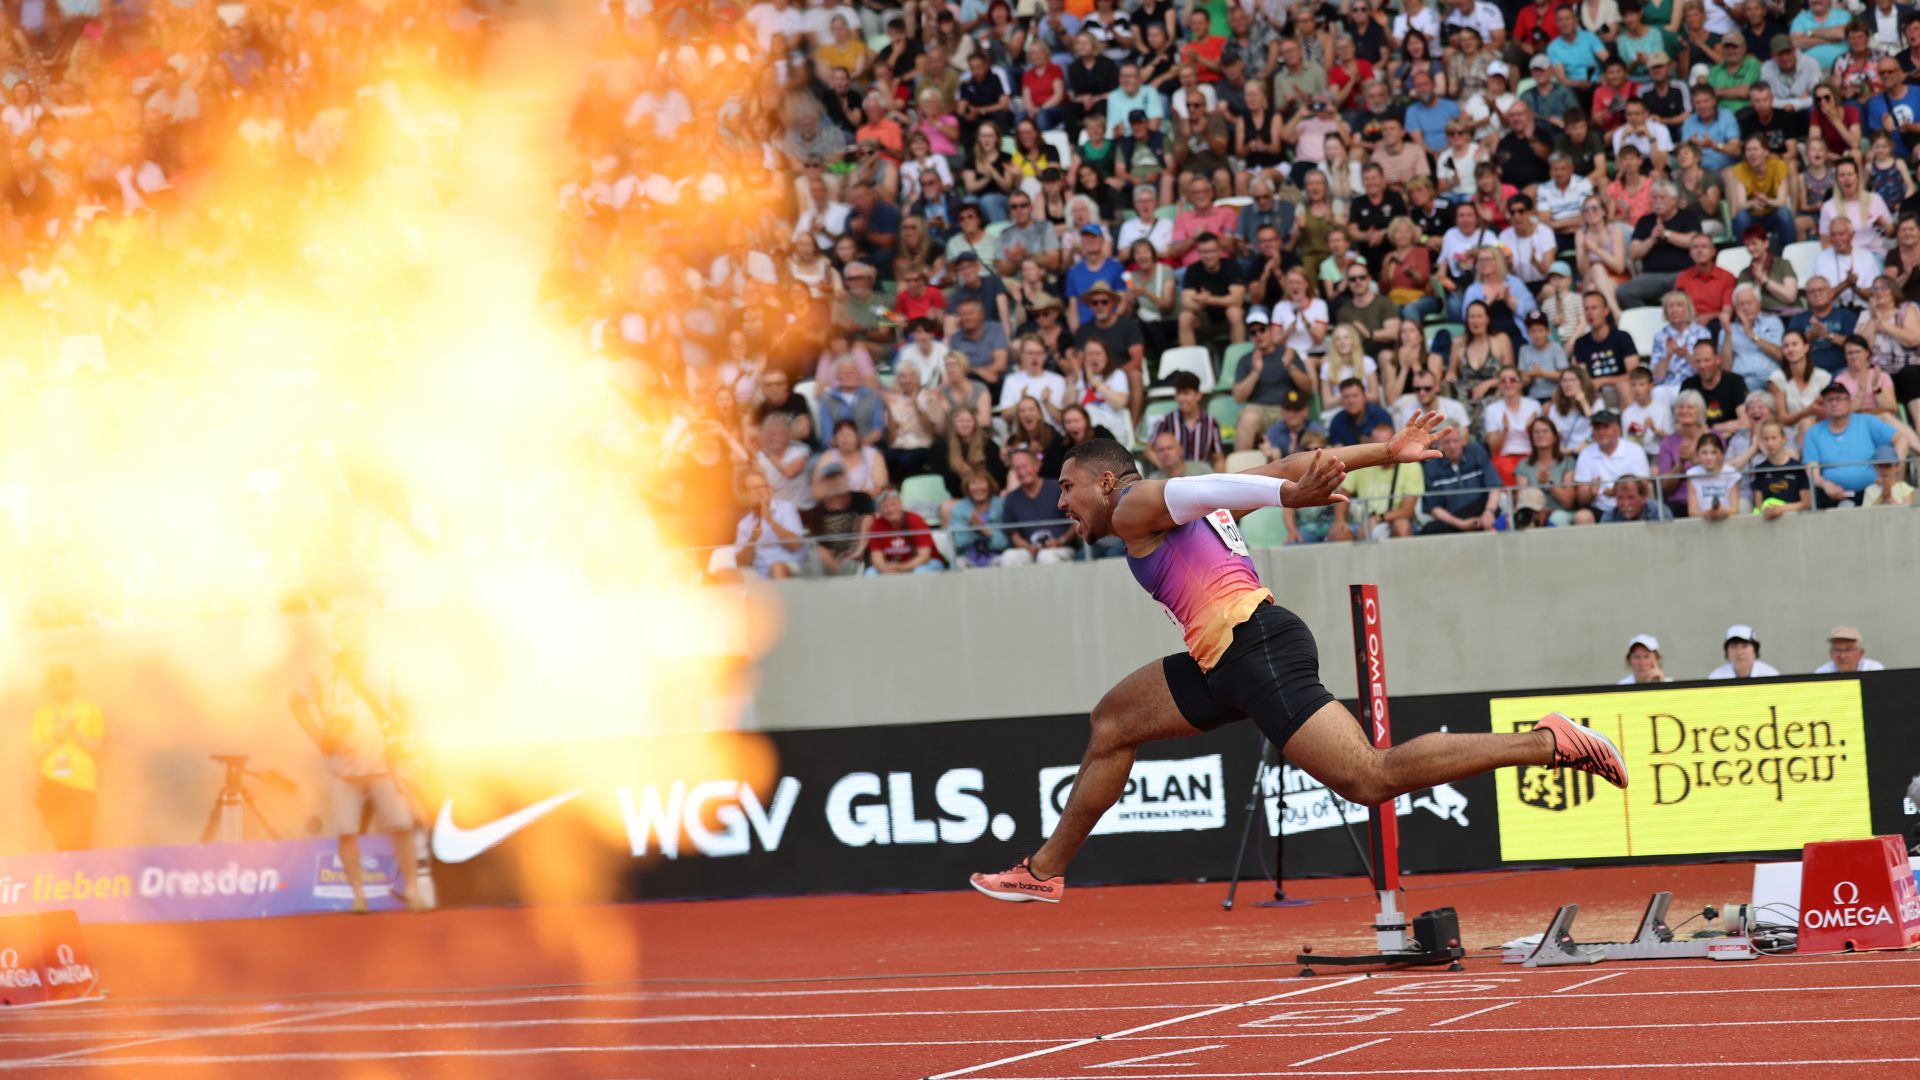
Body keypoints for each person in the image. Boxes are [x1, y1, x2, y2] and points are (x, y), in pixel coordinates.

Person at [968, 418, 1628, 902]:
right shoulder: (1165, 501)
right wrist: (1383, 452)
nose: (1060, 503)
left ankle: (1548, 743)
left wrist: (1287, 500)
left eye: (1066, 487)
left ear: (1105, 479)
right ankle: (1047, 868)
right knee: (1113, 722)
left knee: (1371, 777)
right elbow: (1283, 466)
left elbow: (1225, 489)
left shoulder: (1134, 503)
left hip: (1256, 649)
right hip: (1218, 664)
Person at [287, 614, 427, 914]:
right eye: (341, 630)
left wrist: (404, 735)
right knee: (346, 831)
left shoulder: (383, 665)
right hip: (341, 766)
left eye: (352, 630)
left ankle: (413, 890)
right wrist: (318, 736)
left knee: (401, 826)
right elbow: (296, 702)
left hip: (384, 762)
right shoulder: (325, 670)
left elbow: (403, 704)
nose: (347, 636)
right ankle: (358, 895)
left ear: (362, 633)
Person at [30, 664, 104, 852]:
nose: (59, 686)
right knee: (60, 842)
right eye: (54, 683)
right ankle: (64, 879)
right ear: (48, 687)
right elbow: (37, 754)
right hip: (51, 783)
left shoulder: (90, 710)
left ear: (73, 683)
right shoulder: (42, 714)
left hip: (80, 785)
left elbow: (98, 750)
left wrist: (74, 733)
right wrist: (57, 735)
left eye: (64, 681)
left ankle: (84, 879)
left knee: (81, 839)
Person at [1805, 381, 1910, 506]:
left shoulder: (1867, 422)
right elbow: (1812, 471)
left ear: (1849, 402)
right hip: (1831, 496)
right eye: (1829, 399)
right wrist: (1825, 484)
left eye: (1838, 399)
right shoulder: (1814, 432)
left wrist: (1894, 470)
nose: (1834, 403)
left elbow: (1902, 439)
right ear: (1824, 404)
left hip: (1871, 492)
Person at [1330, 420, 1427, 540]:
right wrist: (1340, 521)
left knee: (1402, 524)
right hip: (1363, 522)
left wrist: (1377, 519)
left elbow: (1407, 510)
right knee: (1339, 533)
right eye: (1378, 445)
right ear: (1371, 444)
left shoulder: (1411, 466)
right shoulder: (1362, 462)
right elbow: (1342, 495)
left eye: (1387, 443)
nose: (1383, 449)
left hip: (1392, 521)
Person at [998, 448, 1075, 565]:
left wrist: (1060, 541)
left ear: (1037, 465)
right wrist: (1028, 547)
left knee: (1046, 557)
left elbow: (1077, 521)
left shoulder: (1058, 488)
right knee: (1009, 557)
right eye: (1017, 468)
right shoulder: (1011, 498)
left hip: (1061, 548)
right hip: (1029, 550)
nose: (1022, 472)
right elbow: (1013, 534)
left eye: (1025, 466)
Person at [1574, 410, 1654, 520]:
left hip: (1630, 507)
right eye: (1597, 428)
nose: (1601, 432)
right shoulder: (1585, 454)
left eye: (1606, 427)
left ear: (1617, 430)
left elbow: (1643, 486)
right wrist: (1591, 493)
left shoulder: (1635, 450)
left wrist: (1619, 492)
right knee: (1582, 516)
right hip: (1599, 508)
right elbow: (1582, 498)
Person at [1420, 425, 1498, 533]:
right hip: (1452, 519)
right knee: (1430, 529)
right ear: (1440, 445)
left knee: (1499, 515)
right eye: (1447, 442)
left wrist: (1489, 513)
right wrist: (1460, 524)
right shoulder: (1431, 467)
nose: (1452, 446)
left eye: (1455, 441)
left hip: (1481, 513)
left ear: (1463, 441)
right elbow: (1433, 507)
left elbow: (1494, 486)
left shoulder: (1477, 453)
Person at [733, 472, 808, 579]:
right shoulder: (744, 523)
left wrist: (769, 519)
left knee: (776, 568)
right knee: (731, 574)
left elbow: (795, 545)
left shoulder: (786, 508)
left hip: (788, 563)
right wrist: (752, 540)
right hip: (759, 570)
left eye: (760, 487)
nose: (758, 492)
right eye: (751, 489)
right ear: (747, 495)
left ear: (769, 489)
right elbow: (741, 562)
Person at [1149, 370, 1227, 471]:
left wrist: (1219, 481)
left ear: (1198, 395)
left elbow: (1218, 458)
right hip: (1175, 479)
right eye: (1178, 394)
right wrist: (1165, 468)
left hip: (1200, 477)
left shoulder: (1211, 423)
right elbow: (1149, 450)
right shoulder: (1167, 421)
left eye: (1186, 393)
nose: (1181, 398)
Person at [1685, 431, 1746, 519]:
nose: (1708, 457)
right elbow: (1692, 511)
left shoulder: (1731, 473)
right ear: (1698, 454)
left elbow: (1735, 509)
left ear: (1721, 454)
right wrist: (1707, 514)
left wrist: (1722, 512)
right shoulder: (1692, 474)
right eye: (1704, 453)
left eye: (1713, 453)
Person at [1709, 625, 1781, 680]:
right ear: (1727, 652)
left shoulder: (1771, 676)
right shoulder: (1716, 677)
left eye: (1744, 646)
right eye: (1734, 647)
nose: (1739, 652)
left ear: (1755, 650)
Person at [1815, 626, 1885, 673]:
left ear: (1861, 653)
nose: (1842, 656)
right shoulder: (1822, 672)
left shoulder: (1874, 669)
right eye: (1837, 650)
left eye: (1848, 650)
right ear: (1830, 653)